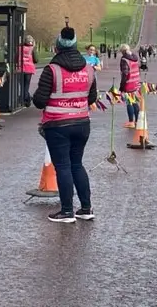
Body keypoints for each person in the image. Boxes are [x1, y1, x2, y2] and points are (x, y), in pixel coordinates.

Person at [33, 26, 98, 223]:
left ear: (57, 46)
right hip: (81, 122)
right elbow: (92, 97)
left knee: (62, 166)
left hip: (57, 124)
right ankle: (86, 208)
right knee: (77, 164)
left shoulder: (52, 70)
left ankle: (67, 210)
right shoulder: (88, 69)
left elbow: (39, 101)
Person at [118, 43, 140, 129]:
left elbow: (125, 73)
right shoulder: (135, 58)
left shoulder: (124, 59)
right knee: (134, 101)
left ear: (122, 51)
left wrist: (122, 86)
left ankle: (131, 121)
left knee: (129, 102)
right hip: (135, 82)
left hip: (128, 83)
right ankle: (137, 120)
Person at [20, 34, 38, 107]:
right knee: (26, 85)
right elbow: (36, 59)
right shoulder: (32, 49)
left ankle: (26, 98)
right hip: (29, 69)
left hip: (21, 68)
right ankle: (26, 99)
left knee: (22, 85)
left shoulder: (20, 48)